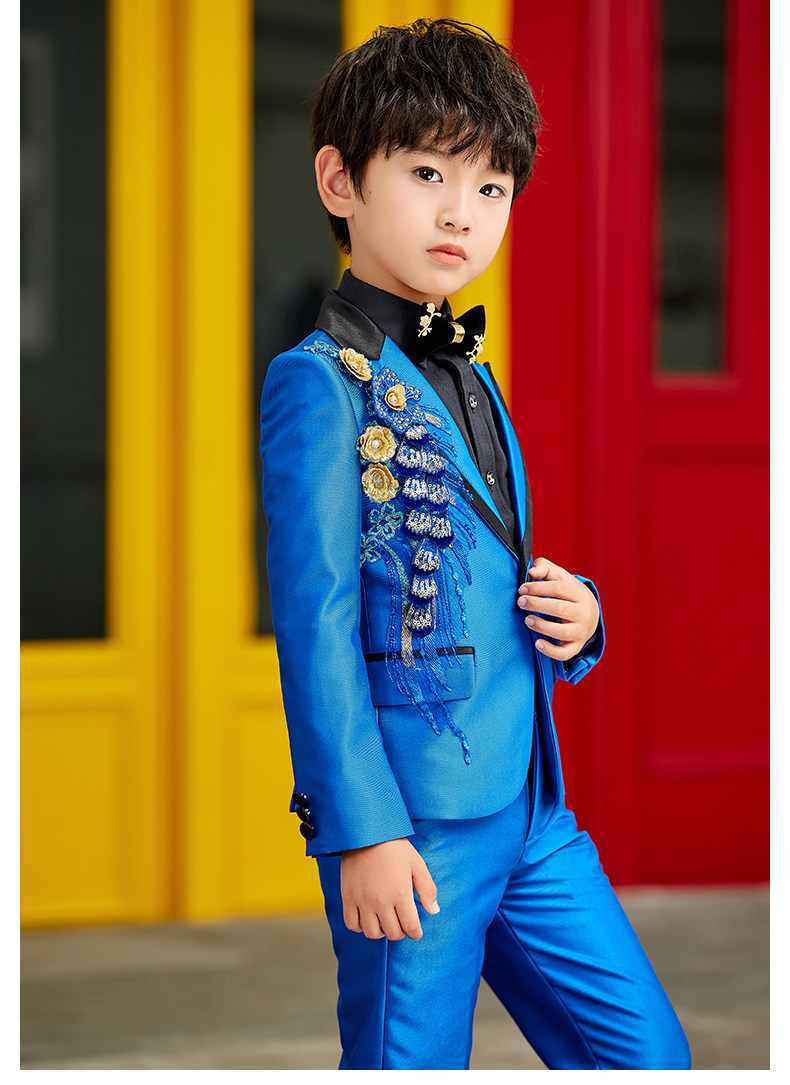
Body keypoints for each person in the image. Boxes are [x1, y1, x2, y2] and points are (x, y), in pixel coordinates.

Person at [259, 18, 690, 1071]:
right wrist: (360, 828)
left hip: (533, 803)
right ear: (339, 180)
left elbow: (485, 556)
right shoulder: (318, 382)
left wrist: (579, 613)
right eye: (426, 173)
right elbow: (314, 625)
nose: (462, 211)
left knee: (648, 1054)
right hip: (416, 823)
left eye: (492, 186)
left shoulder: (473, 370)